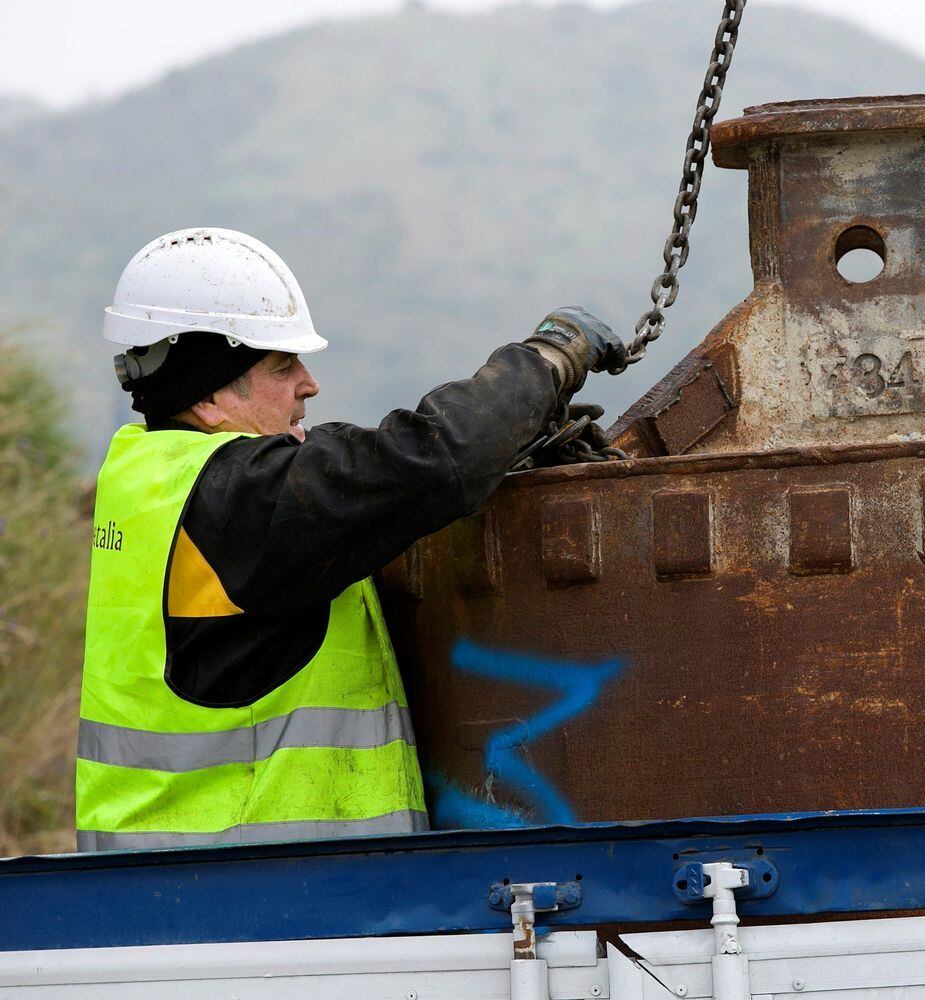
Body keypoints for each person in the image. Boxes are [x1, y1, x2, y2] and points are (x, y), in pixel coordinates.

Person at [75, 227, 625, 851]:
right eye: (283, 366)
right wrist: (548, 359)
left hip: (162, 887)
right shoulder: (243, 500)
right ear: (207, 394)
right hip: (264, 894)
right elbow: (433, 458)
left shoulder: (147, 477)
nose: (309, 384)